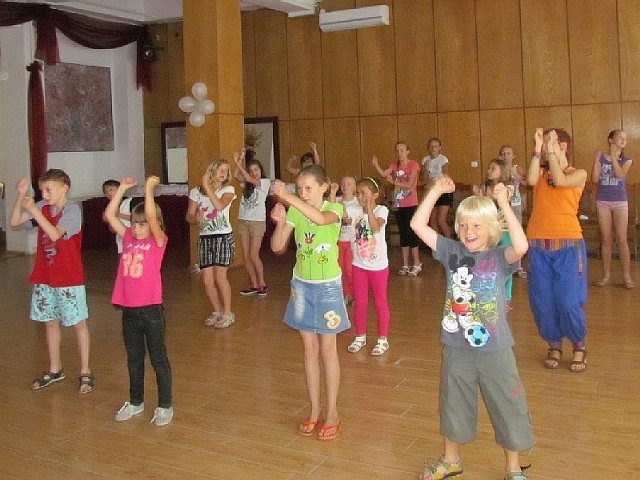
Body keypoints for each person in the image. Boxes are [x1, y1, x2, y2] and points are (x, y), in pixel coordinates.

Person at [410, 176, 534, 480]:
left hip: (496, 349)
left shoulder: (498, 257)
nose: (469, 232)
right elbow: (417, 225)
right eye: (463, 225)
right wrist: (436, 191)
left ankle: (513, 467)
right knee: (452, 402)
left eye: (477, 226)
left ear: (492, 229)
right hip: (456, 346)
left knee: (508, 402)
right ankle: (451, 460)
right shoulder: (452, 251)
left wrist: (504, 202)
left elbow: (521, 245)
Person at [270, 164, 350, 441]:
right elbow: (277, 247)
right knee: (309, 350)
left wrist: (287, 197)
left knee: (328, 350)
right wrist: (280, 221)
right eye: (299, 188)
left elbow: (318, 218)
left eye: (308, 188)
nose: (303, 193)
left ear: (324, 187)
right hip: (301, 287)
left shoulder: (335, 210)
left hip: (327, 288)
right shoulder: (295, 210)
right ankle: (314, 410)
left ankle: (332, 413)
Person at [9, 169, 94, 394]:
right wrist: (20, 197)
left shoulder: (73, 209)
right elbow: (15, 222)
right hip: (45, 276)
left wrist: (35, 212)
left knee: (78, 324)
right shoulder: (42, 207)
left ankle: (85, 370)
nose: (45, 195)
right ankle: (55, 369)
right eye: (42, 191)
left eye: (49, 190)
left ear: (64, 187)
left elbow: (56, 234)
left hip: (68, 277)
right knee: (49, 321)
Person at [105, 176, 173, 426]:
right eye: (135, 224)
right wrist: (122, 190)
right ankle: (135, 402)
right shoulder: (129, 239)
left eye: (142, 224)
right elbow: (111, 216)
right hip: (130, 311)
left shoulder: (158, 242)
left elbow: (153, 218)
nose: (137, 228)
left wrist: (147, 189)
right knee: (133, 358)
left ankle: (165, 405)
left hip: (152, 311)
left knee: (157, 358)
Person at [527, 128, 588, 372]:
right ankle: (553, 344)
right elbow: (530, 180)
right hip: (538, 244)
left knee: (568, 300)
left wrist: (550, 149)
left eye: (554, 140)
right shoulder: (541, 174)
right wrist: (537, 147)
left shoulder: (578, 174)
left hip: (568, 244)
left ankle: (579, 346)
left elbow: (561, 181)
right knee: (542, 299)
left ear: (563, 146)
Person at [186, 158, 237, 328]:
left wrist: (207, 187)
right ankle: (218, 310)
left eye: (226, 170)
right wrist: (195, 218)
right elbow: (189, 216)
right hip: (205, 238)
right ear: (211, 171)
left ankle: (228, 313)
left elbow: (220, 206)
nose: (224, 173)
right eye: (220, 170)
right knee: (207, 280)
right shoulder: (196, 192)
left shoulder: (228, 189)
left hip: (223, 237)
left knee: (220, 278)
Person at [347, 177, 391, 356]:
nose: (360, 197)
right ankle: (360, 336)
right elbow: (340, 214)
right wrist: (334, 195)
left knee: (380, 302)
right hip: (359, 265)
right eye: (358, 193)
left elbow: (375, 228)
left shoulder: (382, 210)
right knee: (361, 302)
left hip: (378, 266)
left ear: (374, 195)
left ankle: (382, 339)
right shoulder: (353, 210)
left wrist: (370, 208)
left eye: (364, 193)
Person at [592, 130, 635, 289]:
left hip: (620, 202)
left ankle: (627, 276)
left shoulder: (627, 159)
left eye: (625, 138)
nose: (624, 140)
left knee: (622, 239)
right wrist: (596, 161)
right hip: (603, 201)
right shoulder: (601, 158)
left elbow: (620, 175)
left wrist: (614, 156)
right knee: (606, 239)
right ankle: (606, 275)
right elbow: (595, 179)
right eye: (620, 137)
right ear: (611, 140)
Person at [372, 141, 422, 276]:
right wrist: (376, 165)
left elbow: (410, 185)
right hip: (398, 204)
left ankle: (416, 262)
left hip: (410, 203)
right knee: (403, 234)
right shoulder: (394, 165)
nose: (399, 153)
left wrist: (393, 181)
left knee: (411, 233)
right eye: (397, 151)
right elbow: (384, 173)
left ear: (407, 151)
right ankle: (405, 264)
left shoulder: (413, 165)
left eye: (402, 150)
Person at [473, 158, 516, 312]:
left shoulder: (508, 187)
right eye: (489, 168)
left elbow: (505, 198)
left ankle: (506, 298)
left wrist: (492, 196)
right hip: (489, 231)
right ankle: (489, 294)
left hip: (504, 231)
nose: (489, 171)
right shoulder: (485, 187)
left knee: (505, 263)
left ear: (502, 171)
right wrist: (479, 196)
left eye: (494, 168)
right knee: (488, 263)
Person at [233, 148, 271, 296]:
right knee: (246, 255)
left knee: (254, 255)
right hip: (244, 220)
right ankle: (254, 284)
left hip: (257, 222)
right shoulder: (247, 184)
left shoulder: (265, 182)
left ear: (261, 170)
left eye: (256, 169)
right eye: (251, 170)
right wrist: (241, 159)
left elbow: (249, 179)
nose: (255, 172)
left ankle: (262, 283)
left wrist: (238, 161)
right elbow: (237, 175)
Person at [498, 145, 528, 279]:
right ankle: (503, 262)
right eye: (503, 154)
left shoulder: (517, 168)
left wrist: (517, 175)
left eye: (508, 153)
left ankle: (518, 266)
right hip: (503, 204)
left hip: (515, 203)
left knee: (517, 232)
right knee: (503, 233)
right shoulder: (499, 169)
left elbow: (526, 182)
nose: (506, 156)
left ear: (513, 155)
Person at [331, 175, 359, 305]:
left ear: (354, 188)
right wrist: (332, 193)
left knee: (350, 269)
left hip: (351, 242)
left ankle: (354, 294)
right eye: (343, 184)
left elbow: (350, 220)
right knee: (340, 268)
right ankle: (345, 294)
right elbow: (330, 211)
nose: (345, 186)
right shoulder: (336, 200)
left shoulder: (357, 203)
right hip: (338, 241)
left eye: (349, 184)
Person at [420, 137, 452, 238]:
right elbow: (422, 178)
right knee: (432, 220)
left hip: (443, 191)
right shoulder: (425, 159)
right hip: (432, 191)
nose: (433, 148)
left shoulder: (443, 159)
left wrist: (434, 183)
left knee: (441, 220)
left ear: (439, 148)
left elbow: (445, 174)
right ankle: (437, 245)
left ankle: (449, 245)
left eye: (436, 146)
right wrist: (425, 167)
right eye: (431, 146)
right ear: (428, 148)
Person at [102, 179, 132, 254]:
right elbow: (113, 231)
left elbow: (138, 218)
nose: (108, 192)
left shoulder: (130, 202)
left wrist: (116, 215)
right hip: (121, 244)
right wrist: (109, 221)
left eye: (111, 189)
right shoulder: (109, 207)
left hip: (135, 240)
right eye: (106, 191)